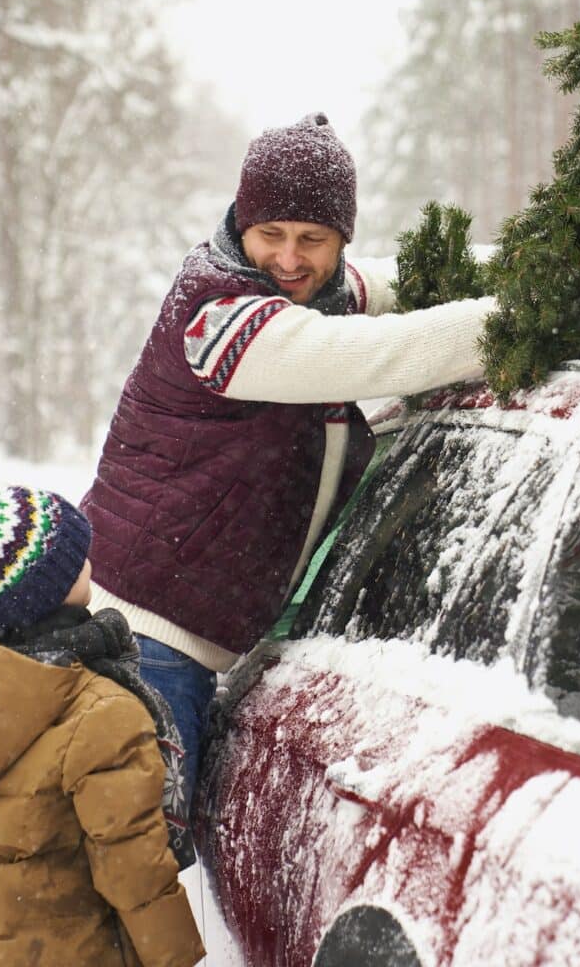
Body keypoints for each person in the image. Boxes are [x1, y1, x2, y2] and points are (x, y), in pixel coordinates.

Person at [81, 112, 497, 803]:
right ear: (240, 226)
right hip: (145, 644)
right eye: (270, 235)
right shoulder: (220, 316)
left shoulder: (307, 292)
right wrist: (523, 315)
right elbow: (384, 355)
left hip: (176, 638)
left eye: (314, 239)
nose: (291, 258)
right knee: (135, 866)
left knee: (139, 866)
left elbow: (410, 280)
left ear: (340, 241)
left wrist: (544, 257)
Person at [0, 486, 204, 967]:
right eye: (76, 559)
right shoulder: (100, 713)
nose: (89, 563)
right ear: (44, 593)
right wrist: (176, 955)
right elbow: (134, 867)